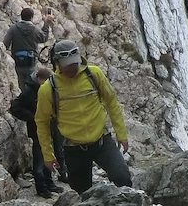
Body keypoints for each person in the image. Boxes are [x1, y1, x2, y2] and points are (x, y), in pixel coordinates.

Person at [35, 40, 131, 195]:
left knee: (123, 178)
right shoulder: (48, 89)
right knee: (83, 193)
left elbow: (111, 102)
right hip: (73, 150)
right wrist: (48, 155)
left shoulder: (94, 74)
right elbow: (42, 122)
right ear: (57, 63)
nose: (72, 68)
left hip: (102, 141)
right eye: (68, 65)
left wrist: (122, 134)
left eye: (75, 64)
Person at [8, 70, 66, 197]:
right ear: (39, 79)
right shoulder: (29, 92)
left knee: (49, 156)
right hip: (37, 130)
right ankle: (41, 188)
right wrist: (33, 117)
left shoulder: (47, 89)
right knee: (40, 160)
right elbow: (14, 108)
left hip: (51, 127)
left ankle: (50, 184)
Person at [3, 6, 54, 91]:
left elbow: (5, 44)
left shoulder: (13, 28)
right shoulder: (34, 29)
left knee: (20, 86)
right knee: (31, 84)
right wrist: (46, 23)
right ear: (32, 17)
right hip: (30, 62)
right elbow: (43, 38)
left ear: (21, 16)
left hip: (17, 62)